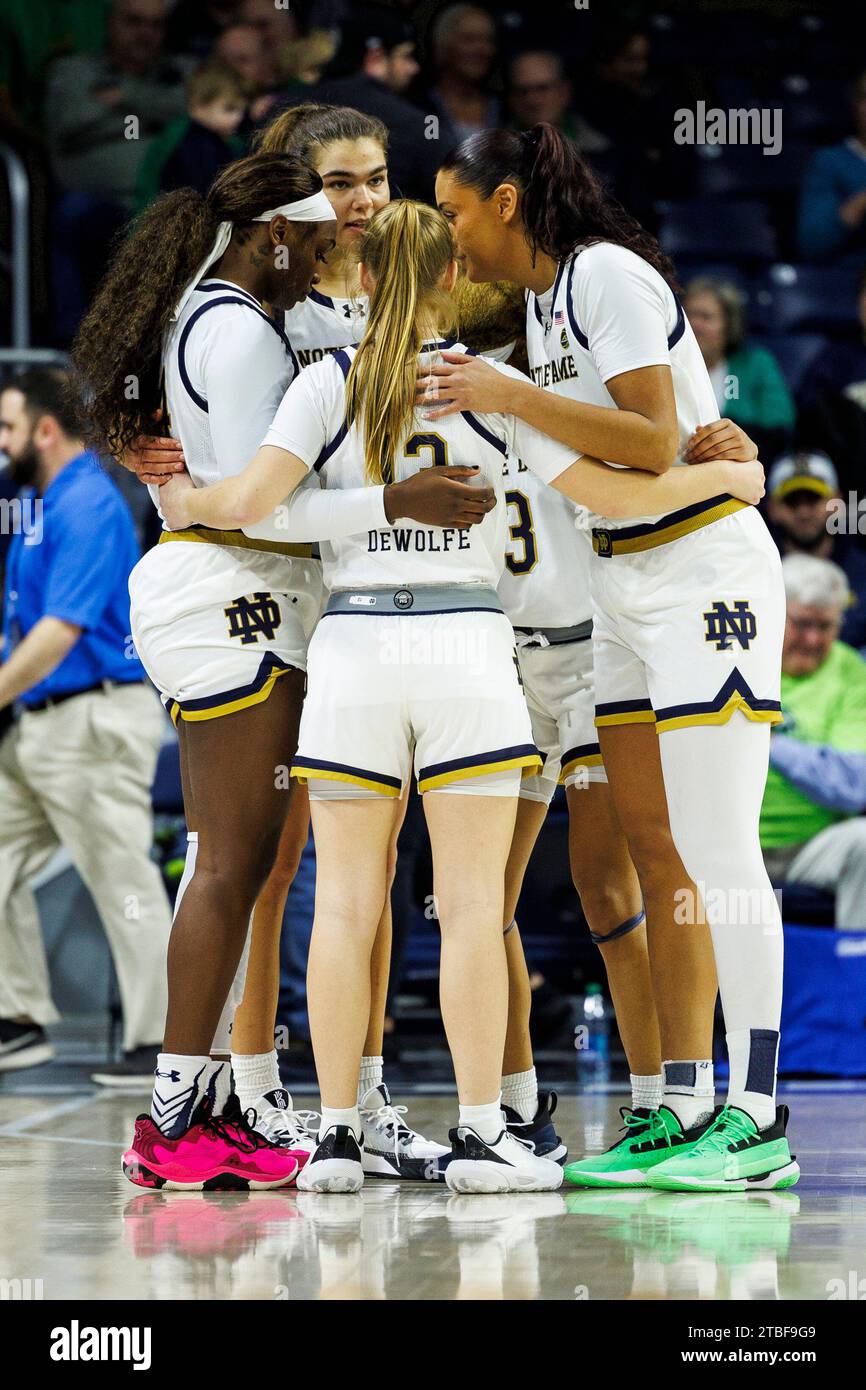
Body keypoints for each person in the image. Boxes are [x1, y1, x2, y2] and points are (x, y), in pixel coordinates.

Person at [155, 198, 763, 1193]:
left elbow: (253, 506)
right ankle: (485, 1131)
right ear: (451, 281)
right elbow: (613, 491)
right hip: (469, 641)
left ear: (358, 275)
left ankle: (339, 1136)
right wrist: (725, 481)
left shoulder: (323, 383)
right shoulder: (497, 388)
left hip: (353, 644)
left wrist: (182, 502)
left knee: (347, 904)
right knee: (476, 907)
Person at [75, 152, 489, 1191]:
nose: (323, 258)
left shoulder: (229, 317)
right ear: (272, 236)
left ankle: (218, 1099)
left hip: (242, 584)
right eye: (311, 240)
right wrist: (387, 506)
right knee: (230, 857)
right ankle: (177, 1112)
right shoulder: (235, 327)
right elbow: (257, 496)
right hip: (228, 586)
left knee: (246, 858)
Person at [427, 122, 799, 1192]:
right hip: (620, 583)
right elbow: (626, 456)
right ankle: (681, 1100)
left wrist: (507, 401)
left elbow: (645, 432)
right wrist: (723, 467)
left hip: (701, 580)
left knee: (720, 845)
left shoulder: (605, 275)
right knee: (654, 838)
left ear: (503, 200)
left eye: (455, 210)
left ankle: (759, 1109)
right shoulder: (541, 310)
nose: (451, 235)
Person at [0, 368, 172, 1080]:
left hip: (92, 719)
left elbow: (60, 631)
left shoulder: (88, 504)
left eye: (6, 427)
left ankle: (166, 1042)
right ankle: (18, 1017)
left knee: (122, 878)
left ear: (45, 429)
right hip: (38, 724)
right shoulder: (39, 506)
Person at [761, 554, 866, 929]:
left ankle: (855, 980)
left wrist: (768, 744)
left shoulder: (850, 671)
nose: (813, 639)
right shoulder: (742, 658)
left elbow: (854, 783)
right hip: (736, 843)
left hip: (813, 845)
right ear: (774, 612)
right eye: (802, 623)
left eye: (826, 626)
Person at [302, 3, 436, 200]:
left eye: (376, 181)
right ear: (376, 58)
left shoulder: (278, 107)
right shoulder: (415, 122)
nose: (413, 68)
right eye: (406, 56)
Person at [684, 277, 795, 463]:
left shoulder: (756, 364)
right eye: (689, 315)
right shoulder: (667, 366)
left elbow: (780, 427)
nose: (694, 324)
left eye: (706, 317)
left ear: (729, 326)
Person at [766, 452, 866, 653]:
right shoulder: (757, 571)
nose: (803, 512)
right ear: (772, 507)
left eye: (814, 499)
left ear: (837, 502)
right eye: (792, 501)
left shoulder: (863, 572)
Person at [133, 59, 247, 213]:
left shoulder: (226, 141)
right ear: (197, 105)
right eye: (229, 108)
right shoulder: (185, 141)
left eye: (241, 110)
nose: (238, 117)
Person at [797, 67, 866, 266]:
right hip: (849, 277)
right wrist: (861, 203)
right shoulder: (829, 161)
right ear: (855, 105)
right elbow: (813, 244)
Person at [425, 4, 502, 148]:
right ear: (444, 44)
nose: (481, 50)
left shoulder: (503, 108)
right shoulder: (423, 108)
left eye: (488, 40)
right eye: (469, 40)